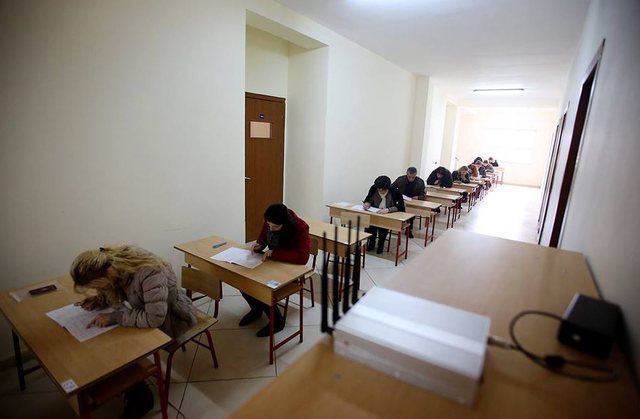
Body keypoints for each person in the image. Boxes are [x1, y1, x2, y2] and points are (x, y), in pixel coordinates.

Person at [71, 244, 198, 419]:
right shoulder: (112, 263)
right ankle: (133, 391)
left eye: (100, 286)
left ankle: (139, 396)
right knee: (107, 343)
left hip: (172, 319)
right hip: (150, 311)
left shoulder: (150, 272)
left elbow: (154, 319)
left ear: (107, 274)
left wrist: (115, 317)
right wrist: (99, 299)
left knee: (118, 347)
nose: (100, 290)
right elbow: (118, 288)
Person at [240, 203, 310, 337]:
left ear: (285, 223)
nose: (271, 228)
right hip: (271, 264)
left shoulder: (301, 227)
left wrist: (275, 253)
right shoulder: (271, 221)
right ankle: (256, 309)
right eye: (269, 225)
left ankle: (277, 321)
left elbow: (303, 257)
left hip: (290, 269)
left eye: (275, 227)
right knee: (242, 279)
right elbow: (262, 238)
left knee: (262, 287)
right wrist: (258, 246)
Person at [363, 175, 405, 254]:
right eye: (378, 189)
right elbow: (368, 198)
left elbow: (400, 207)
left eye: (381, 190)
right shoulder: (374, 188)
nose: (379, 191)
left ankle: (380, 244)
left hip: (388, 215)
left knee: (383, 227)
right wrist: (367, 203)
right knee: (371, 226)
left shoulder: (395, 192)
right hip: (375, 213)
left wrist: (388, 210)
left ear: (387, 188)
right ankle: (371, 243)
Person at [392, 167, 425, 238]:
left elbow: (423, 195)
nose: (411, 179)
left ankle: (409, 230)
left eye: (413, 177)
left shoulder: (420, 182)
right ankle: (396, 225)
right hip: (402, 200)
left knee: (410, 213)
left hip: (413, 202)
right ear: (406, 174)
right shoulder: (400, 179)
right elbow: (392, 188)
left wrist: (418, 197)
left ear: (416, 175)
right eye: (409, 177)